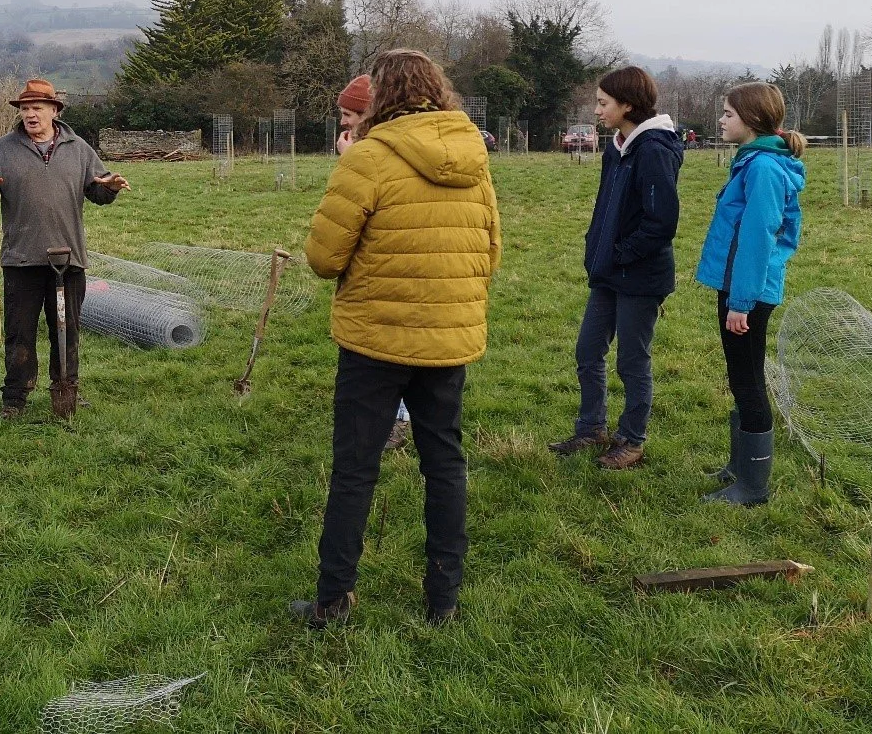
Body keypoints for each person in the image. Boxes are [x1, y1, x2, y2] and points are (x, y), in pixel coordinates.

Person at [292, 49, 501, 627]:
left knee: (355, 469)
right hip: (448, 340)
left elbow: (323, 258)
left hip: (373, 342)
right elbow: (491, 251)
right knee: (446, 466)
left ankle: (334, 601)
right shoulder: (474, 158)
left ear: (379, 95)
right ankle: (444, 602)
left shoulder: (367, 160)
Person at [0, 79, 129, 419]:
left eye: (37, 108)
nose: (30, 115)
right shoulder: (5, 149)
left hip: (69, 260)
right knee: (19, 332)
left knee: (67, 332)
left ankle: (67, 389)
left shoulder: (79, 148)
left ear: (55, 110)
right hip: (21, 259)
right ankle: (15, 400)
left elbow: (97, 191)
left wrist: (110, 187)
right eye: (25, 109)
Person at [549, 67, 683, 470]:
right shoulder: (618, 147)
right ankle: (591, 428)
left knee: (631, 360)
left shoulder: (654, 150)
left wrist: (621, 253)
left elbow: (662, 222)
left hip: (639, 275)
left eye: (603, 103)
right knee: (588, 351)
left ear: (627, 105)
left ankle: (632, 439)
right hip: (608, 271)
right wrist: (598, 251)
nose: (596, 110)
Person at [695, 82, 806, 507]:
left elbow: (757, 237)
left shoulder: (762, 168)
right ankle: (740, 467)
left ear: (753, 119)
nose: (721, 120)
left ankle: (753, 487)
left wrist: (740, 302)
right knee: (742, 376)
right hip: (741, 286)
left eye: (727, 113)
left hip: (749, 292)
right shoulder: (753, 161)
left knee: (747, 380)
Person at [335, 73, 410, 452]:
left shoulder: (389, 153)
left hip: (395, 269)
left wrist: (352, 165)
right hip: (382, 271)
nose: (345, 122)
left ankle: (396, 422)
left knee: (395, 349)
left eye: (351, 114)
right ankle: (393, 418)